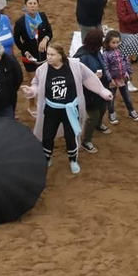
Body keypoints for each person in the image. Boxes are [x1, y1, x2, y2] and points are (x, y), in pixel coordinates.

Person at [26, 43, 93, 176]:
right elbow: (36, 83)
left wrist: (102, 91)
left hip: (70, 110)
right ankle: (47, 157)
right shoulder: (43, 69)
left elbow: (88, 77)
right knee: (47, 136)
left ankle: (73, 160)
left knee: (70, 136)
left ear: (60, 56)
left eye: (52, 55)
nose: (49, 57)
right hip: (51, 109)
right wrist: (31, 91)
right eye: (48, 54)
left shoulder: (73, 66)